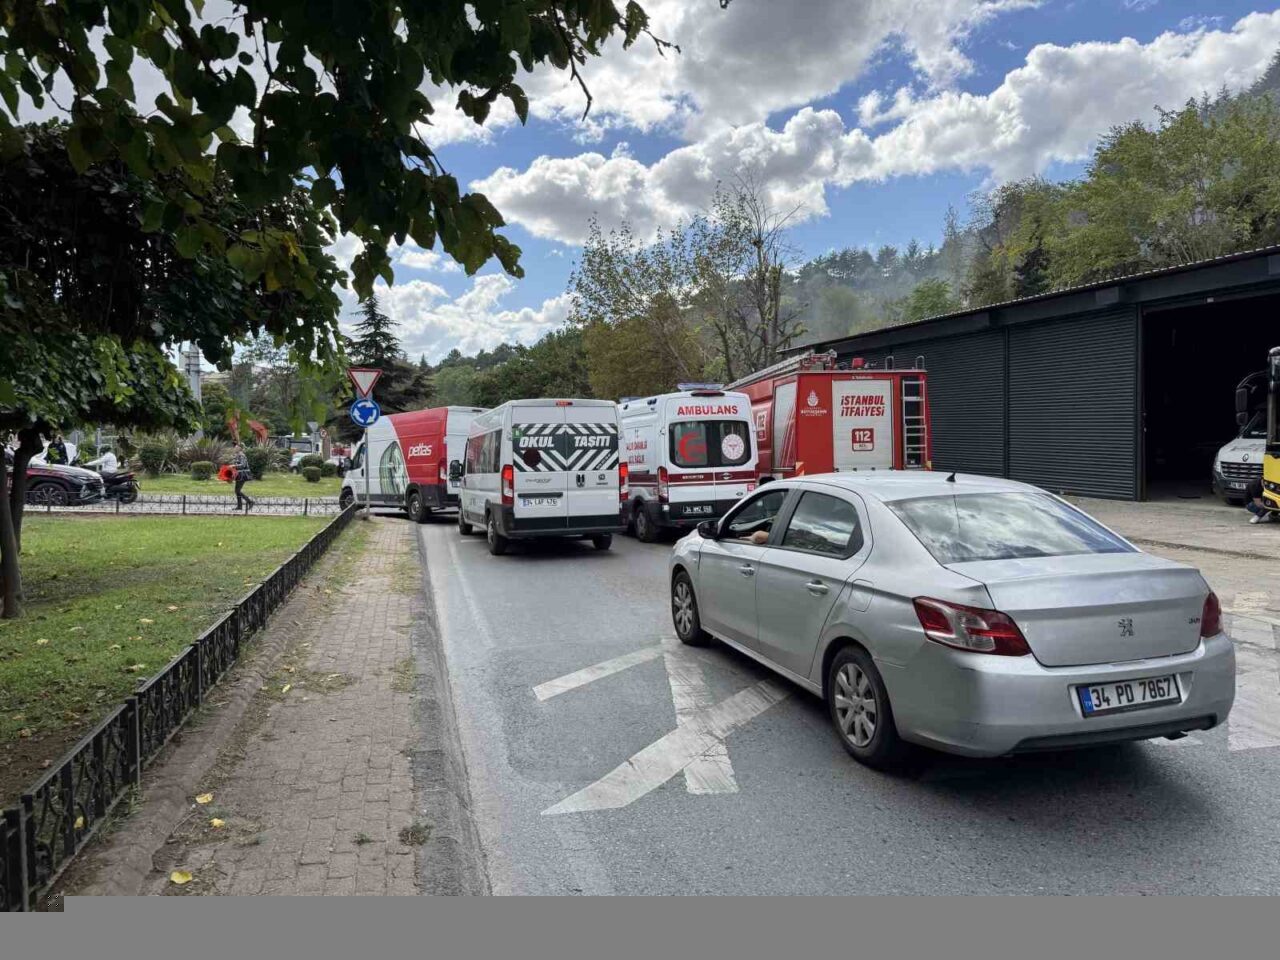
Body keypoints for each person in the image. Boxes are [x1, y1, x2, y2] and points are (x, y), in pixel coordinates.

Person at [230, 442, 255, 513]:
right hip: (239, 475)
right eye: (234, 447)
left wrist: (234, 466)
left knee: (237, 491)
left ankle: (250, 502)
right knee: (237, 490)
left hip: (243, 475)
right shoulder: (238, 455)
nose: (234, 448)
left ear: (240, 448)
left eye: (236, 447)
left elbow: (243, 465)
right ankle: (239, 506)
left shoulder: (242, 455)